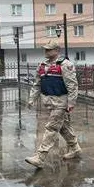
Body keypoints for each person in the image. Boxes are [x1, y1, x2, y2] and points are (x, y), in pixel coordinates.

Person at [26, 40, 80, 169]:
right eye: (45, 49)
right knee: (63, 127)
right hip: (50, 102)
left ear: (57, 51)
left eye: (49, 49)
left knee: (51, 128)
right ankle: (75, 148)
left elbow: (72, 85)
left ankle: (40, 157)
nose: (46, 51)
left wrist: (71, 102)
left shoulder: (65, 65)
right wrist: (31, 99)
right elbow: (37, 84)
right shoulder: (42, 65)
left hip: (61, 102)